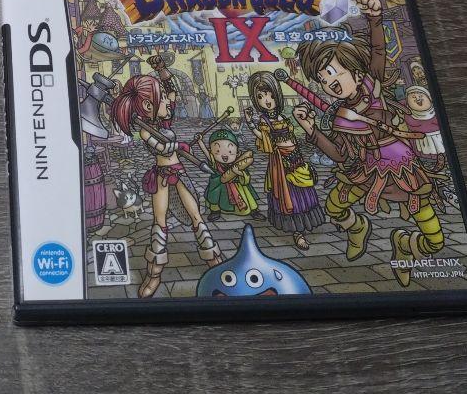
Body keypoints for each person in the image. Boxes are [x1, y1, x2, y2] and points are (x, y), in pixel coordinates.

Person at [294, 0, 443, 287]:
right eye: (323, 79)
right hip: (364, 173)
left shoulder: (372, 83)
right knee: (334, 207)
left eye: (332, 72)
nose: (330, 82)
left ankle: (405, 245)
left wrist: (374, 18)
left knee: (435, 240)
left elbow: (378, 50)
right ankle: (357, 229)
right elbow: (339, 154)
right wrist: (311, 130)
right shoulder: (340, 118)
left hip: (403, 171)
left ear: (352, 65)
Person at [110, 73, 221, 297]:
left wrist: (162, 72)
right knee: (159, 226)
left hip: (179, 173)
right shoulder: (145, 130)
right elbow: (162, 148)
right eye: (160, 99)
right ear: (148, 105)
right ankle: (154, 274)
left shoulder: (164, 122)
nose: (167, 102)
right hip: (161, 176)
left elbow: (172, 94)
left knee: (196, 217)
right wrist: (178, 145)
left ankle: (215, 264)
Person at [245, 71, 324, 249]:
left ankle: (304, 225)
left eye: (270, 95)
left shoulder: (283, 117)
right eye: (261, 97)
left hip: (296, 158)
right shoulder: (264, 120)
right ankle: (298, 232)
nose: (267, 100)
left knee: (303, 190)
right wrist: (250, 123)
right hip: (280, 162)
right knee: (289, 195)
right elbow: (263, 138)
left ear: (276, 95)